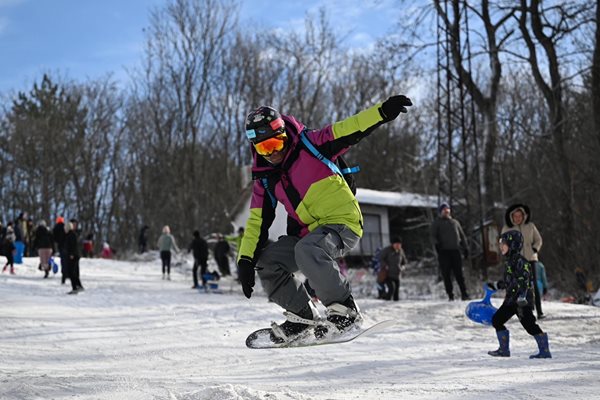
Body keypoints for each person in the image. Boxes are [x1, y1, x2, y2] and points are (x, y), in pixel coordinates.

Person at [236, 95, 413, 344]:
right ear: (255, 147)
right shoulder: (265, 178)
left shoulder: (312, 144)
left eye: (276, 143)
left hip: (342, 223)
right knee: (267, 261)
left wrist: (382, 112)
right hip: (307, 234)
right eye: (264, 148)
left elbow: (352, 127)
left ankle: (345, 311)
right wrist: (245, 260)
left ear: (285, 134)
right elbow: (256, 222)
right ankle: (302, 318)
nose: (272, 152)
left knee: (308, 249)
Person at [487, 230, 551, 359]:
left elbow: (525, 279)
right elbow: (510, 281)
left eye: (503, 244)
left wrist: (522, 295)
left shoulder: (521, 261)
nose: (501, 247)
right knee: (497, 320)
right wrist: (497, 285)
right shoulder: (509, 261)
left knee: (530, 326)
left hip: (522, 300)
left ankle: (544, 351)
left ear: (513, 245)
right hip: (511, 300)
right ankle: (504, 350)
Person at [502, 204, 544, 318]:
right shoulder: (507, 228)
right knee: (518, 286)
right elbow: (503, 243)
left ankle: (539, 311)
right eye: (515, 216)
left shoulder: (530, 226)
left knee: (533, 285)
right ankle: (520, 312)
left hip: (531, 259)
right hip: (516, 261)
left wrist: (535, 248)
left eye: (520, 216)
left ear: (524, 216)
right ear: (511, 217)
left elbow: (538, 240)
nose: (517, 218)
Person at [430, 203, 470, 301]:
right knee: (446, 274)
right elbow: (432, 236)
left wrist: (465, 248)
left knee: (459, 274)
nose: (446, 212)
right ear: (440, 212)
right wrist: (437, 245)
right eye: (444, 211)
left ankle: (464, 293)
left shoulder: (455, 222)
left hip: (455, 250)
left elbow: (462, 236)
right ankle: (450, 295)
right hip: (444, 252)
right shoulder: (437, 223)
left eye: (448, 210)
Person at [379, 237, 408, 301]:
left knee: (396, 292)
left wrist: (403, 267)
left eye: (399, 244)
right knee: (392, 288)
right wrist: (385, 265)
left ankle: (395, 305)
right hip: (388, 274)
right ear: (392, 244)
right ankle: (387, 301)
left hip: (397, 274)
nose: (398, 245)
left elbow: (404, 261)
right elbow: (381, 259)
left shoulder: (401, 251)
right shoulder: (387, 250)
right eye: (396, 244)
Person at [65, 219, 84, 294]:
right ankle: (79, 286)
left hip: (73, 256)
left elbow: (73, 245)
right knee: (74, 272)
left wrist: (71, 254)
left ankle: (75, 287)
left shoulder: (71, 235)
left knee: (72, 272)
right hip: (74, 255)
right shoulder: (71, 234)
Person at [53, 216, 68, 284]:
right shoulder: (65, 226)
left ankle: (64, 273)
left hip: (60, 245)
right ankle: (66, 273)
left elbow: (54, 237)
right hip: (66, 245)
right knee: (66, 260)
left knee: (63, 260)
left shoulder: (56, 227)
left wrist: (58, 241)